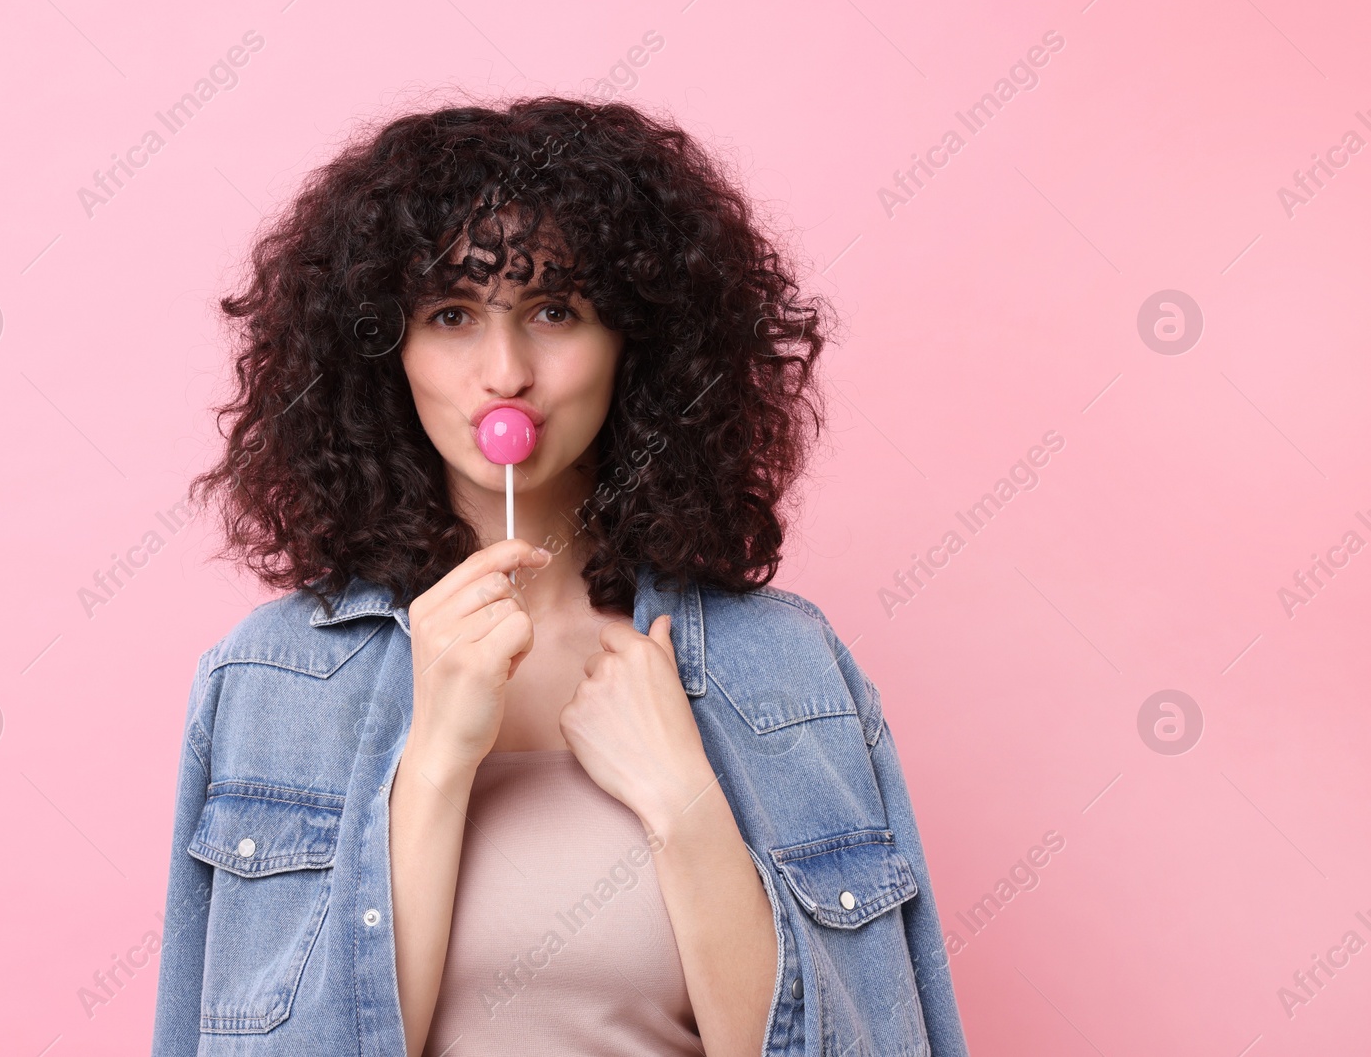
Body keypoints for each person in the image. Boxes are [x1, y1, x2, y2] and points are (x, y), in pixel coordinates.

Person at [150, 95, 970, 1057]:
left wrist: (684, 799)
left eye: (553, 310)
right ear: (383, 352)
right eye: (451, 314)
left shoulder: (789, 671)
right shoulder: (269, 681)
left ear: (640, 342)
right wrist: (436, 764)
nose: (505, 371)